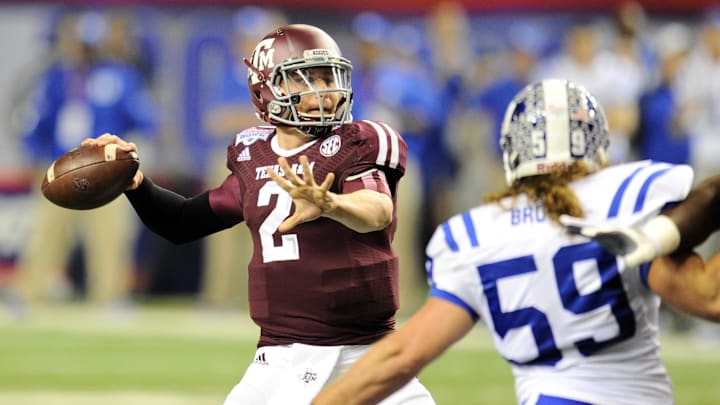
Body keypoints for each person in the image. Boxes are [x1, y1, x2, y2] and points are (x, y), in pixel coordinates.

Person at [83, 24, 435, 405]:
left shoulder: (358, 141)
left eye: (329, 75)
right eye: (306, 78)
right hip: (286, 359)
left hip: (373, 353)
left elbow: (378, 210)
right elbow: (181, 222)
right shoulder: (253, 157)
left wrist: (332, 205)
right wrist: (136, 184)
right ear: (269, 89)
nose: (325, 90)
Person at [312, 78, 720, 405]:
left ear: (512, 150)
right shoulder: (626, 198)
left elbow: (403, 356)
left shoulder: (479, 233)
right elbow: (709, 298)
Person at [11, 9, 156, 311]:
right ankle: (27, 295)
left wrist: (126, 157)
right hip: (60, 165)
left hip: (105, 169)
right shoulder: (56, 78)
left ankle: (110, 297)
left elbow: (145, 119)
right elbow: (36, 120)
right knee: (46, 234)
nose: (85, 51)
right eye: (82, 44)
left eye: (91, 45)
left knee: (108, 237)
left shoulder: (120, 77)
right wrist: (35, 153)